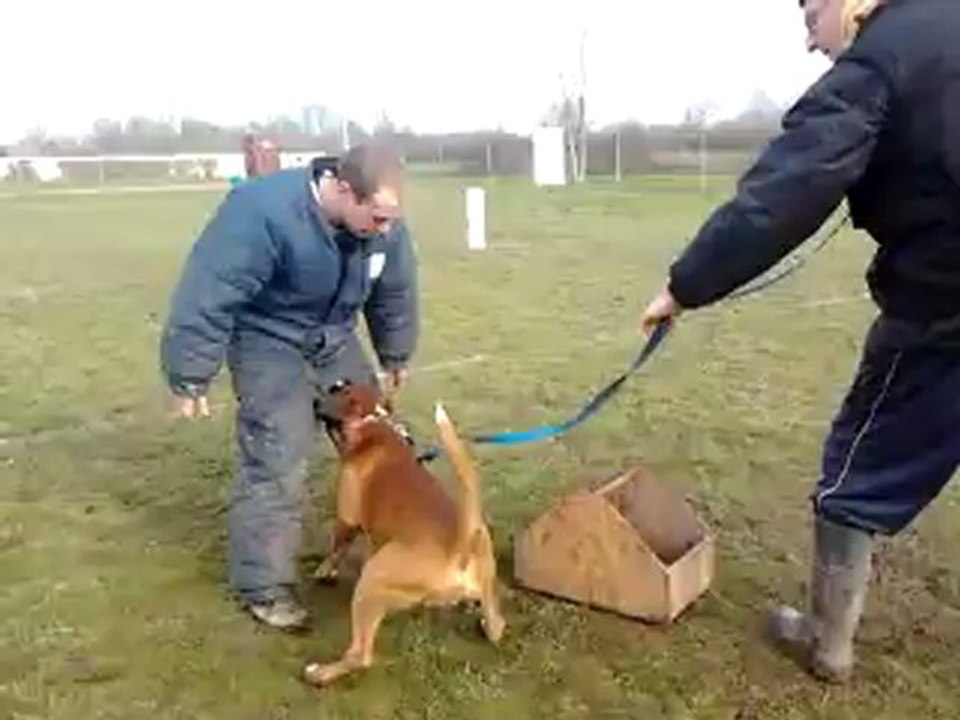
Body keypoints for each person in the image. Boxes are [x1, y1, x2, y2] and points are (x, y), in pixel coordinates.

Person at [640, 0, 959, 683]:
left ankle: (826, 641)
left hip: (944, 310)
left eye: (811, 15)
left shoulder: (882, 56)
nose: (811, 42)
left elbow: (783, 192)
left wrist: (685, 285)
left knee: (856, 475)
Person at [159, 144, 419, 630]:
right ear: (343, 189)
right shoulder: (260, 212)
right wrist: (190, 374)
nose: (386, 229)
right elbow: (210, 289)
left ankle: (407, 547)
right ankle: (264, 586)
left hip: (334, 336)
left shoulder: (384, 228)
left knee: (385, 438)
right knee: (278, 456)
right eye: (378, 218)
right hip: (267, 339)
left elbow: (395, 290)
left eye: (391, 219)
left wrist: (395, 354)